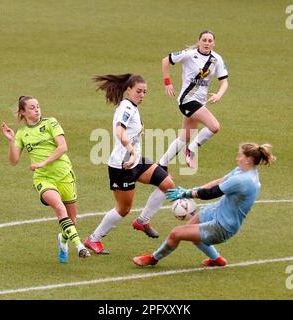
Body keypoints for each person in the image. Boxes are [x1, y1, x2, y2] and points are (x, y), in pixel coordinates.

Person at [133, 142, 276, 267]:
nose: (237, 158)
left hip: (223, 226)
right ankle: (217, 260)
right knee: (191, 230)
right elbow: (219, 181)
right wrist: (192, 190)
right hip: (217, 211)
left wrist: (187, 194)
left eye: (240, 156)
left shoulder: (243, 180)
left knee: (176, 233)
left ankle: (153, 259)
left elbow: (212, 193)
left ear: (249, 160)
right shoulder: (244, 170)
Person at [84, 74, 176, 254]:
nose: (142, 95)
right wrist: (132, 152)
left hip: (136, 162)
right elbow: (120, 131)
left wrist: (135, 155)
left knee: (167, 184)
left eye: (145, 92)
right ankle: (93, 239)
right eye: (138, 91)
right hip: (122, 166)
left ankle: (142, 221)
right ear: (128, 90)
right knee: (124, 209)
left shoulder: (132, 106)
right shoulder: (126, 108)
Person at [1, 96, 90, 264]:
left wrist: (44, 162)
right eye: (32, 107)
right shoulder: (22, 134)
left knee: (72, 221)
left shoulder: (51, 123)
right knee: (59, 206)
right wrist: (12, 140)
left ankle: (63, 240)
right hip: (43, 178)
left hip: (64, 174)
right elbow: (14, 161)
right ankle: (80, 247)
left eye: (38, 106)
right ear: (23, 112)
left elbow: (63, 146)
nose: (36, 109)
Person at [159, 30, 229, 170]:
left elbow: (224, 82)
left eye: (210, 41)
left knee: (184, 137)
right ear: (199, 41)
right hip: (187, 100)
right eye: (204, 40)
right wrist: (167, 82)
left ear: (213, 44)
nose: (207, 43)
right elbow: (166, 60)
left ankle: (161, 165)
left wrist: (219, 95)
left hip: (200, 102)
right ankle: (191, 150)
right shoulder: (189, 55)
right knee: (214, 127)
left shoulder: (217, 59)